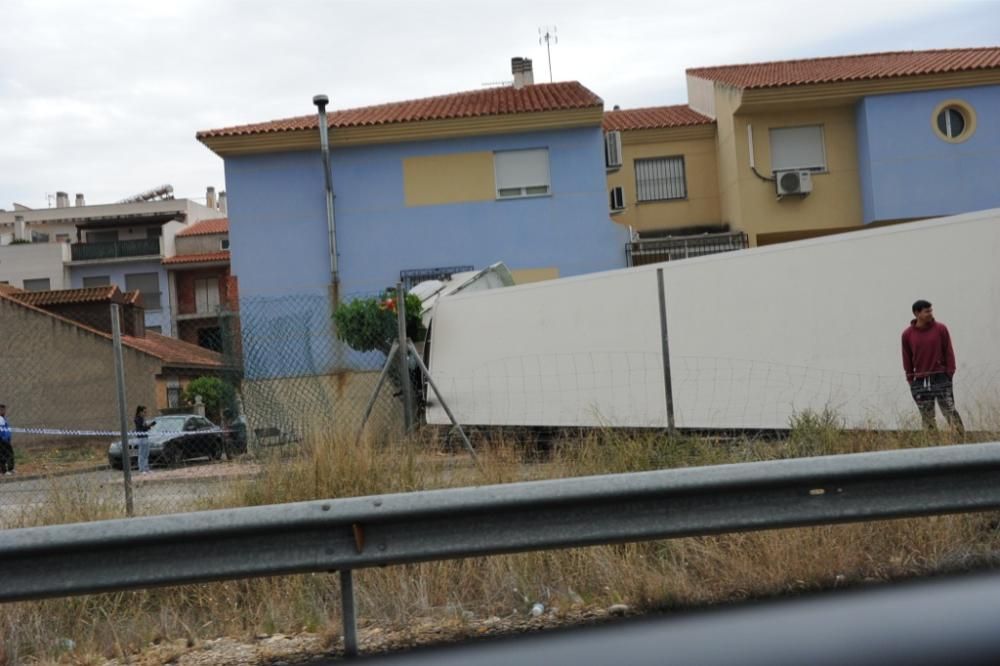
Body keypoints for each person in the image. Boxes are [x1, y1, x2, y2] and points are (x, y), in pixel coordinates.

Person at [901, 300, 965, 434]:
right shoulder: (907, 335)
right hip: (919, 380)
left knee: (949, 411)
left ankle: (961, 440)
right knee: (927, 416)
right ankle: (932, 444)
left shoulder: (941, 329)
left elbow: (948, 352)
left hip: (941, 377)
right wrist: (911, 380)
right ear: (917, 313)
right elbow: (907, 358)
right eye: (927, 311)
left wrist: (949, 373)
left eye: (931, 310)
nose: (930, 314)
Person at [133, 405, 156, 474]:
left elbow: (145, 427)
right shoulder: (137, 419)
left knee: (146, 453)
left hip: (145, 437)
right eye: (144, 412)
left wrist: (149, 426)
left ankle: (146, 468)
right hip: (141, 438)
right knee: (141, 453)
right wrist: (148, 426)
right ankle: (141, 469)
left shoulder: (143, 419)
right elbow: (142, 428)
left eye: (146, 412)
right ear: (140, 412)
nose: (145, 414)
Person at [0, 404, 13, 475]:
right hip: (3, 440)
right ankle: (4, 471)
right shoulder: (0, 419)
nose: (4, 411)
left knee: (8, 454)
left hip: (6, 439)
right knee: (4, 455)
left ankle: (9, 469)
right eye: (2, 410)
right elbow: (1, 430)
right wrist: (3, 438)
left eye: (4, 409)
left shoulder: (3, 418)